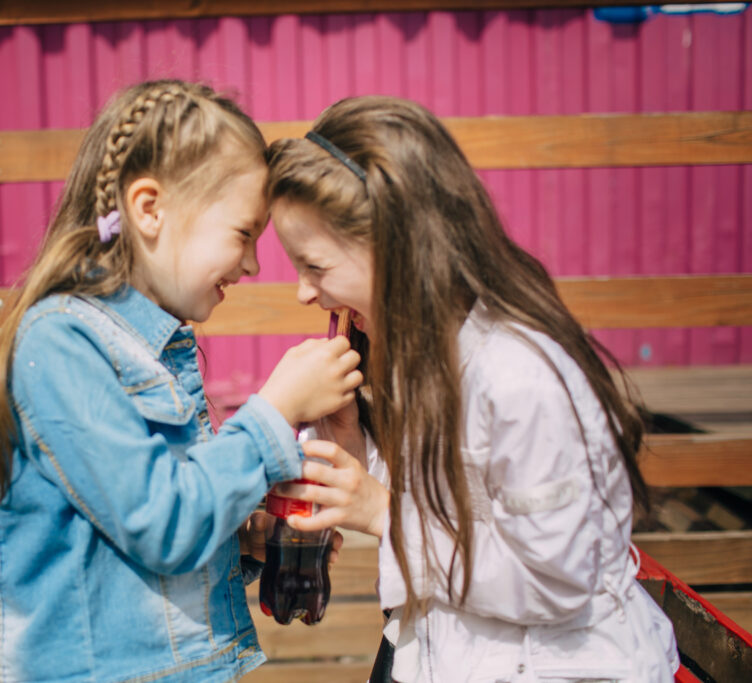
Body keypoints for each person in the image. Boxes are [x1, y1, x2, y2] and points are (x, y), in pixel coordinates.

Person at [0, 79, 363, 683]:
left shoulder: (158, 349)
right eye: (243, 234)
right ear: (149, 209)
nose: (252, 264)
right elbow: (160, 523)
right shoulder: (61, 346)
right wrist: (275, 411)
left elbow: (153, 516)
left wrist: (241, 540)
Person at [265, 96, 680, 682]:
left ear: (397, 246)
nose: (305, 293)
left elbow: (556, 579)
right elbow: (454, 499)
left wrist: (385, 514)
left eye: (316, 267)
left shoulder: (520, 376)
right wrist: (351, 444)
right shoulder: (426, 357)